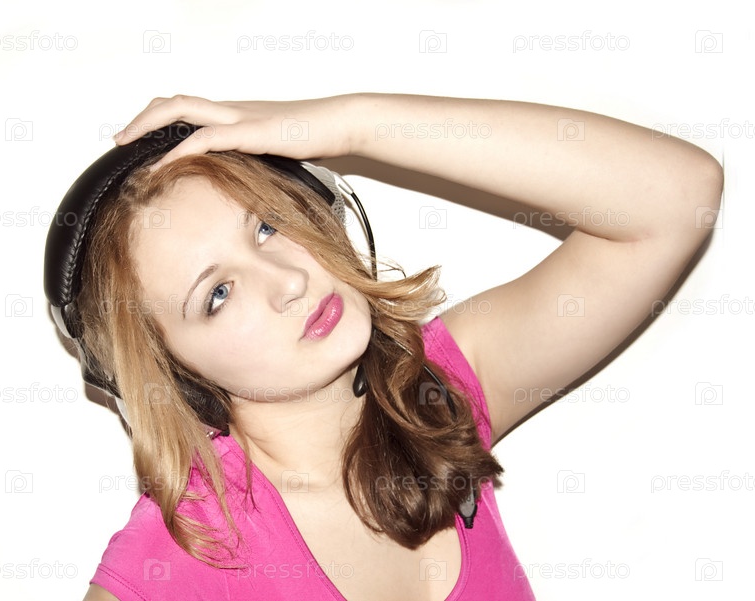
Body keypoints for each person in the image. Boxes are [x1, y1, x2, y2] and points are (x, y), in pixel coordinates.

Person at [70, 93, 722, 601]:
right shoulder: (180, 552)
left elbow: (678, 198)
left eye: (267, 226)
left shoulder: (437, 394)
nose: (289, 281)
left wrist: (348, 125)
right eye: (217, 293)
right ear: (176, 373)